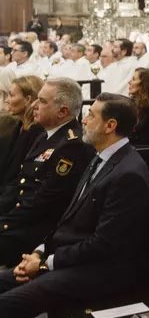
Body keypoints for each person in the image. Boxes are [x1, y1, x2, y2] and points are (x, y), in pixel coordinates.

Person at [0, 93, 149, 318]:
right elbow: (68, 219)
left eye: (91, 115)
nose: (83, 120)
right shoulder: (100, 157)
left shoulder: (128, 174)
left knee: (8, 304)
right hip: (76, 258)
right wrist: (40, 251)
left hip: (104, 271)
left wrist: (45, 263)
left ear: (110, 126)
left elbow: (105, 244)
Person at [0, 78, 94, 268]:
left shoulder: (71, 146)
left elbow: (43, 201)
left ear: (62, 111)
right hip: (21, 218)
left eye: (42, 101)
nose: (34, 104)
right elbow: (19, 184)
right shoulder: (45, 134)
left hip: (39, 231)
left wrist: (4, 222)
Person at [0, 76, 44, 185]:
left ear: (28, 99)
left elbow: (20, 174)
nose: (6, 100)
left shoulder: (37, 132)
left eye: (11, 95)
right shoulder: (17, 127)